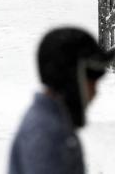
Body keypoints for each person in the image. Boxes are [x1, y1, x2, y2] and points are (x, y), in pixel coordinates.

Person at [9, 27, 114, 174]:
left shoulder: (50, 122)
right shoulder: (49, 136)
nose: (95, 92)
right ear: (71, 79)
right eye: (92, 81)